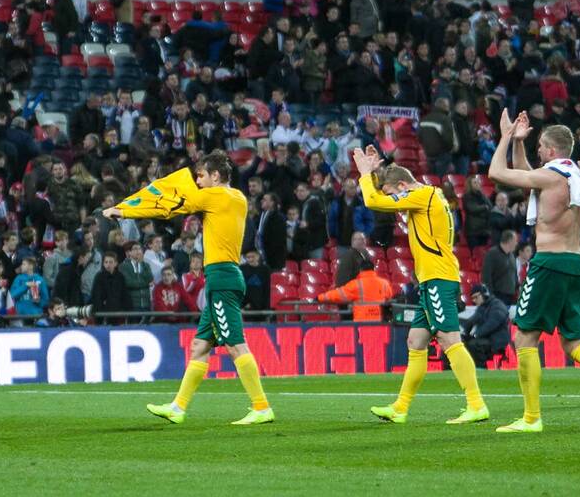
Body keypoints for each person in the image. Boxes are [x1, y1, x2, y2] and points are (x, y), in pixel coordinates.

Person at [489, 111, 580, 433]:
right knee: (572, 341)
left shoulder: (550, 176)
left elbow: (497, 172)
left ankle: (531, 418)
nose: (538, 152)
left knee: (525, 338)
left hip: (550, 263)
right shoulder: (572, 174)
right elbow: (529, 176)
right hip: (575, 263)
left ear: (552, 150)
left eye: (540, 147)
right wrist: (519, 142)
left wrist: (503, 136)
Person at [104, 152, 274, 425]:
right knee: (199, 346)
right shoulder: (239, 198)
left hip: (221, 278)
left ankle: (261, 406)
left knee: (234, 345)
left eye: (201, 175)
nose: (197, 180)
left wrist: (123, 211)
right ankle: (178, 407)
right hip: (227, 275)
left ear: (215, 176)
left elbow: (168, 204)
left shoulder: (214, 196)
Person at [352, 145, 489, 425]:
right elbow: (385, 195)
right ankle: (401, 407)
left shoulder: (422, 194)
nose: (396, 202)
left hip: (438, 278)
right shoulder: (428, 195)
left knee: (450, 339)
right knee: (416, 341)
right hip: (431, 279)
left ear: (402, 185)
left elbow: (374, 202)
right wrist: (378, 172)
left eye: (394, 193)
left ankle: (476, 404)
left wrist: (365, 175)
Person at [314, 258, 394, 321]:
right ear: (373, 269)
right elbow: (390, 297)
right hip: (380, 323)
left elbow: (338, 294)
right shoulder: (384, 283)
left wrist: (319, 298)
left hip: (361, 322)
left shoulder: (355, 284)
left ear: (360, 270)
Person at [462, 284, 511, 368]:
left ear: (484, 294)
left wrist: (475, 335)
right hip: (487, 339)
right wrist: (465, 334)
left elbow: (492, 324)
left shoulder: (497, 305)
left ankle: (481, 368)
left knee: (474, 345)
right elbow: (472, 320)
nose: (474, 300)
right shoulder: (482, 307)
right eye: (472, 298)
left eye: (476, 297)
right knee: (465, 344)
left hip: (497, 341)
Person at [481, 229, 518, 306]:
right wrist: (491, 296)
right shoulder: (492, 253)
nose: (516, 243)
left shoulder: (512, 255)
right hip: (497, 295)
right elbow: (486, 276)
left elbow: (514, 274)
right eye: (515, 241)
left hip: (510, 296)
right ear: (510, 241)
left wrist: (517, 287)